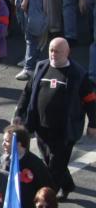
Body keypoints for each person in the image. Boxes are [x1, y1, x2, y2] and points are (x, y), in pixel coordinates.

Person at [13, 37, 96, 199]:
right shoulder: (41, 67)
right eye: (51, 50)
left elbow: (91, 101)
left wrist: (93, 123)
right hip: (41, 128)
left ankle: (46, 201)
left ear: (67, 52)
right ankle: (68, 185)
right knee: (51, 161)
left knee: (54, 168)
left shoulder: (78, 74)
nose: (53, 54)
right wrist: (19, 113)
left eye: (57, 51)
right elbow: (27, 92)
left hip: (65, 131)